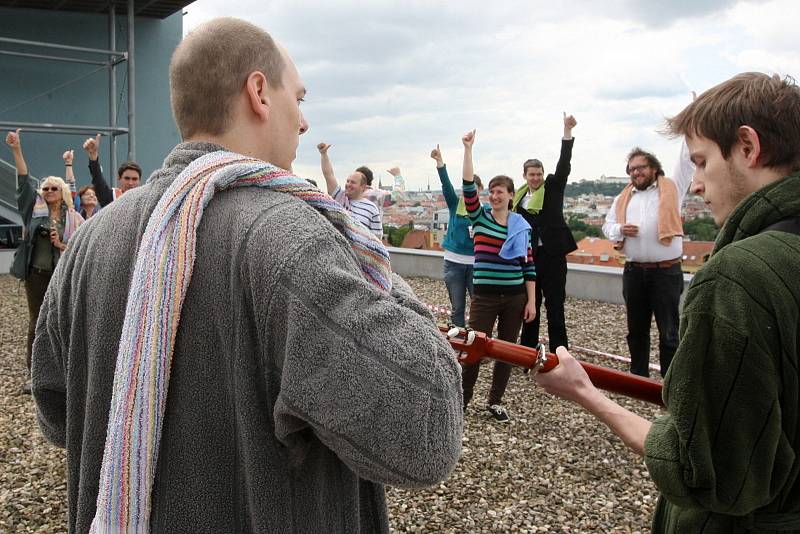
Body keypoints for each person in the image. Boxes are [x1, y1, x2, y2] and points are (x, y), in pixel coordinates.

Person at [31, 17, 462, 533]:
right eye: (298, 99)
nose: (302, 123)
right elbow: (425, 433)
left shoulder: (91, 241)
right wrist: (375, 272)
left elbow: (58, 414)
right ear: (259, 92)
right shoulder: (296, 240)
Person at [536, 72, 800, 532]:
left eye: (701, 161)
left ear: (747, 146)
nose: (697, 183)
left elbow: (708, 476)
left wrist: (585, 393)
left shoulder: (739, 275)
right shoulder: (627, 200)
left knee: (669, 334)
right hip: (636, 272)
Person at [460, 129, 536, 423]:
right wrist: (468, 149)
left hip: (515, 297)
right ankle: (463, 399)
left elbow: (529, 265)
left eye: (499, 191)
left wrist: (530, 301)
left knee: (507, 349)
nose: (493, 195)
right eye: (491, 191)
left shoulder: (519, 226)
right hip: (485, 296)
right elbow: (468, 186)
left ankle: (495, 402)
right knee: (473, 346)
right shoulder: (479, 218)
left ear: (509, 195)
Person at [602, 144, 692, 377]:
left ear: (653, 168)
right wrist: (621, 229)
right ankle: (638, 378)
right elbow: (607, 226)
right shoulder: (623, 197)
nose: (635, 172)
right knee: (636, 331)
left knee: (669, 331)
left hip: (666, 272)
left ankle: (670, 383)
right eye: (631, 169)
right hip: (633, 272)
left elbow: (686, 160)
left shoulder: (672, 189)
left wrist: (693, 122)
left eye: (640, 167)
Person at [5, 129, 84, 394]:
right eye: (46, 188)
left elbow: (76, 240)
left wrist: (69, 164)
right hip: (37, 275)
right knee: (37, 321)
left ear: (62, 192)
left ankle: (64, 374)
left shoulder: (71, 214)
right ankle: (35, 374)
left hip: (62, 273)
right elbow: (23, 180)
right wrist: (17, 150)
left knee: (64, 321)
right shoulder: (33, 209)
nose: (49, 191)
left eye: (54, 188)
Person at [514, 113, 578, 354]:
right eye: (532, 174)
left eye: (539, 173)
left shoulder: (552, 187)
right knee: (531, 305)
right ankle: (528, 351)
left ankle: (560, 351)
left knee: (555, 305)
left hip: (553, 255)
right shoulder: (518, 198)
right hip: (530, 257)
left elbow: (564, 165)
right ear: (525, 176)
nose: (536, 178)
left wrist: (567, 132)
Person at [430, 143, 483, 327]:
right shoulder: (455, 205)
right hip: (454, 263)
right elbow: (446, 185)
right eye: (467, 188)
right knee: (457, 307)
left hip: (477, 264)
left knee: (479, 307)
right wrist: (440, 162)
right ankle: (460, 341)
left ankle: (477, 341)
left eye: (474, 188)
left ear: (479, 191)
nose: (469, 192)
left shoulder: (484, 211)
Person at [316, 142, 383, 236]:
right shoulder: (340, 196)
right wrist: (323, 154)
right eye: (348, 181)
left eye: (353, 182)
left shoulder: (372, 209)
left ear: (363, 187)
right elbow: (329, 174)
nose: (348, 184)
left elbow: (377, 238)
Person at [82, 133, 142, 206]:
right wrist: (93, 156)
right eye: (127, 178)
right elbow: (98, 179)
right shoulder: (111, 197)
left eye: (134, 179)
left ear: (139, 181)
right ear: (119, 178)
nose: (130, 183)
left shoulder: (144, 201)